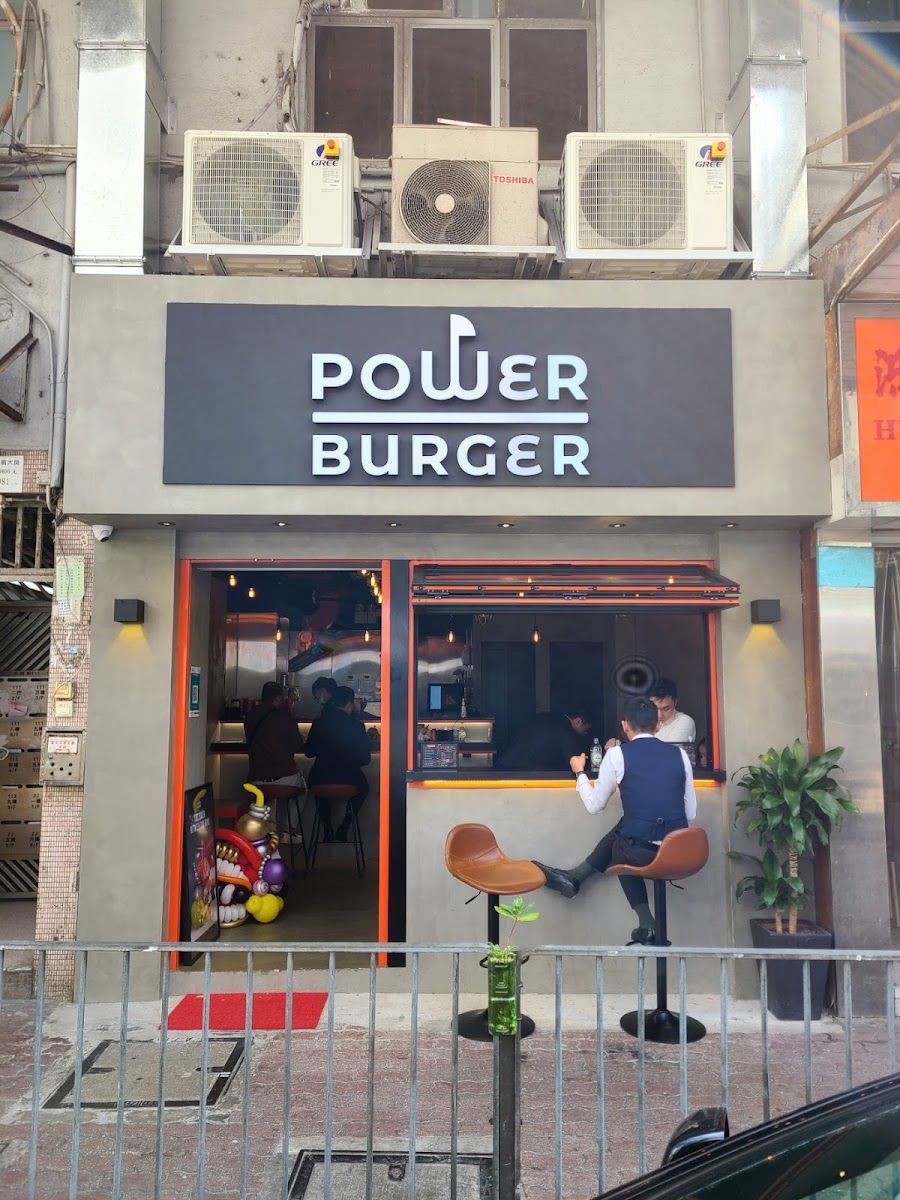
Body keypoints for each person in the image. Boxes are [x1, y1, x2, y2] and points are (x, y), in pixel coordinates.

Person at [533, 696, 697, 945]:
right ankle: (574, 878)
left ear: (624, 725)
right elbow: (690, 812)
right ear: (658, 725)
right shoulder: (680, 755)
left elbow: (594, 806)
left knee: (622, 845)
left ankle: (646, 922)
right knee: (625, 827)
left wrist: (580, 772)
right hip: (681, 850)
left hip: (643, 853)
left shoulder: (618, 755)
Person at [304, 684, 372, 843]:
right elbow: (365, 759)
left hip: (320, 777)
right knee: (364, 789)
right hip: (350, 778)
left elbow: (308, 753)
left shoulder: (318, 723)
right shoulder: (357, 725)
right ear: (350, 703)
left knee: (319, 789)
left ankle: (327, 828)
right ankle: (344, 827)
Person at [244, 681, 306, 798]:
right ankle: (290, 812)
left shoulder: (250, 716)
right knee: (304, 790)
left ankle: (267, 810)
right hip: (285, 778)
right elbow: (297, 745)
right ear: (278, 698)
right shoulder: (285, 717)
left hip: (255, 780)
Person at [495, 708, 592, 772]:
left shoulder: (543, 716)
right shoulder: (566, 730)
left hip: (506, 762)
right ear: (578, 722)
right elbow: (573, 761)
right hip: (526, 771)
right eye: (585, 730)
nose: (584, 734)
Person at [648, 677, 696, 744]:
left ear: (675, 703)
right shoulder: (643, 721)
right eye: (654, 708)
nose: (659, 715)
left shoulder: (684, 721)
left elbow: (669, 750)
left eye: (666, 709)